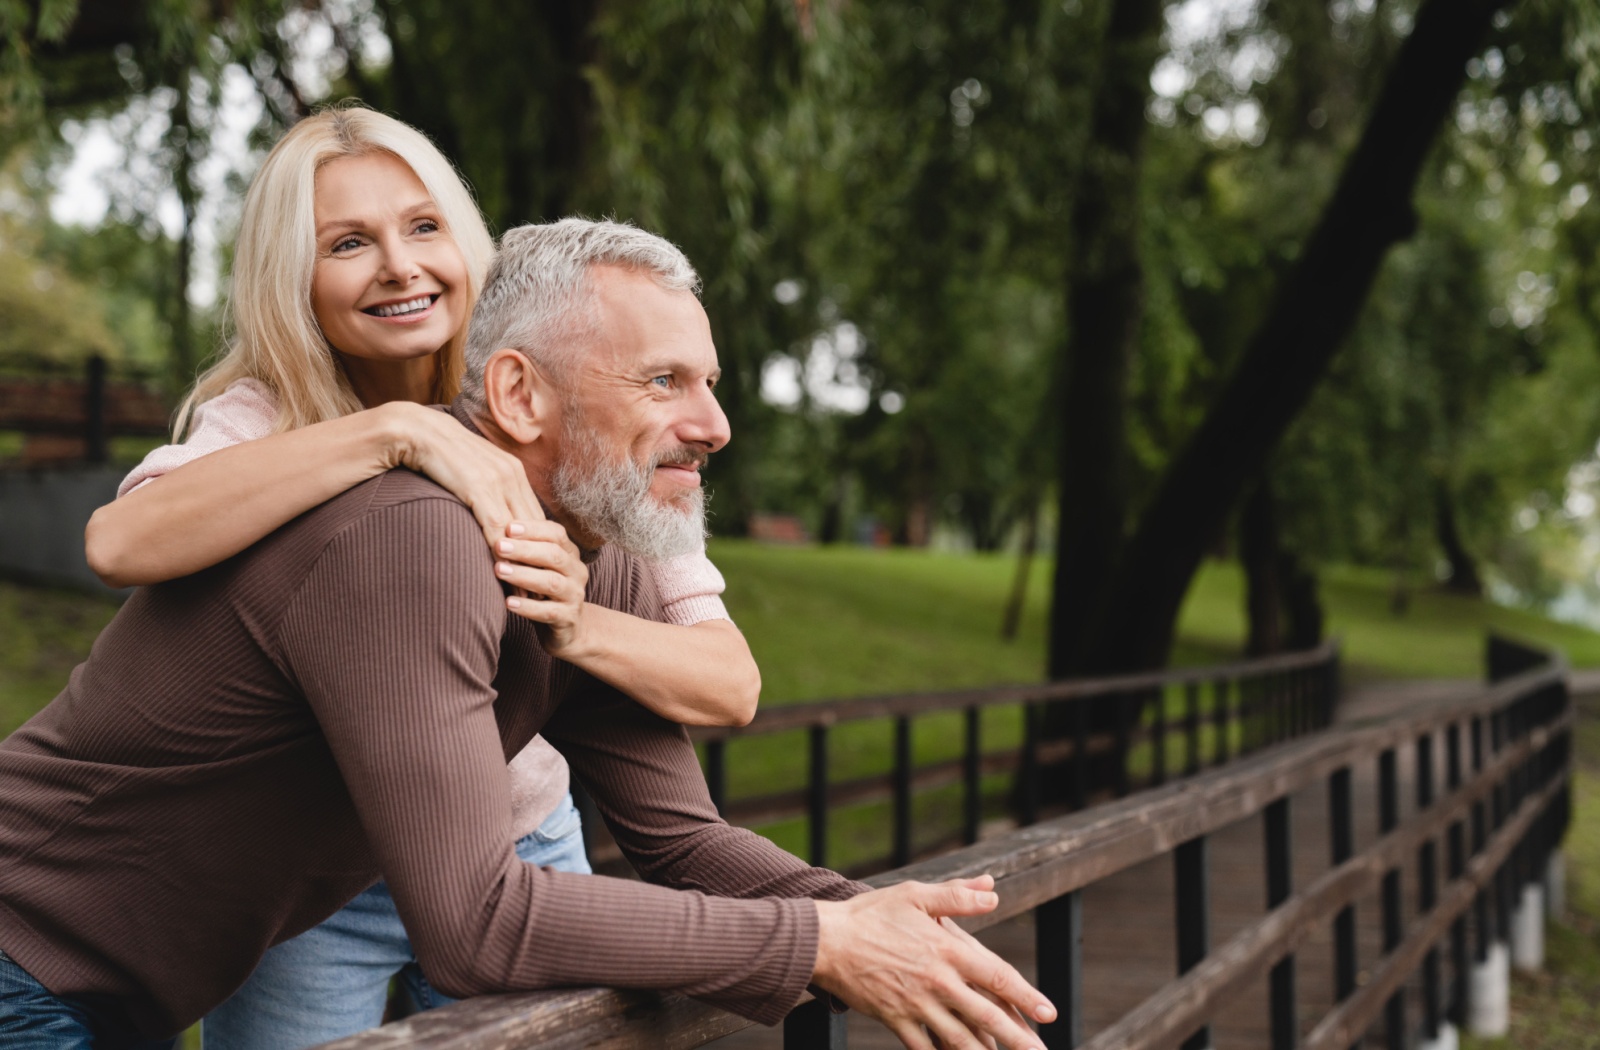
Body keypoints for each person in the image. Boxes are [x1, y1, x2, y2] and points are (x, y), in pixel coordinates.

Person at [0, 218, 1057, 1050]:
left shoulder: (607, 557)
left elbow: (682, 840)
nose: (715, 424)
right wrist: (820, 942)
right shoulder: (410, 542)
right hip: (23, 958)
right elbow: (477, 920)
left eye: (710, 384)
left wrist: (866, 915)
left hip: (117, 989)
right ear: (517, 393)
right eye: (663, 382)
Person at [79, 106, 760, 1048]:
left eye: (424, 225)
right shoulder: (264, 421)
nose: (399, 265)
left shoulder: (576, 422)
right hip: (320, 874)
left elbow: (727, 684)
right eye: (348, 242)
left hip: (519, 845)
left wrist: (581, 624)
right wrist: (391, 433)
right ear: (294, 278)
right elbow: (121, 546)